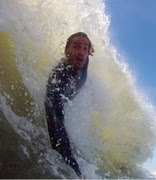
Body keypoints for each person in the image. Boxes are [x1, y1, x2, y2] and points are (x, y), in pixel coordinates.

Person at [45, 32, 94, 178]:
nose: (81, 53)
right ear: (66, 51)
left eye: (85, 48)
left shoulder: (84, 60)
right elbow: (57, 127)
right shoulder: (59, 76)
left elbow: (86, 52)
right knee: (59, 134)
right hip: (57, 99)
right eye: (76, 47)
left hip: (70, 93)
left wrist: (90, 48)